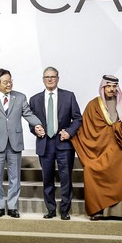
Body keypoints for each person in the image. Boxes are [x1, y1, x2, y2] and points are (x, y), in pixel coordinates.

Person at [71, 75, 122, 221]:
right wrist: (70, 134)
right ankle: (98, 211)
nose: (112, 89)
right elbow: (85, 130)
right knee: (92, 170)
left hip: (121, 152)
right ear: (103, 87)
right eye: (108, 86)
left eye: (114, 87)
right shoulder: (93, 105)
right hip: (99, 151)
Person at [0, 68, 44, 218]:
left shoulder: (20, 97)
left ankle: (12, 206)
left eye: (10, 81)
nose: (9, 84)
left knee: (14, 177)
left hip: (15, 143)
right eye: (5, 82)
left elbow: (28, 114)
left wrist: (37, 125)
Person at [28, 67, 82, 220]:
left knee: (66, 179)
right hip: (45, 144)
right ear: (43, 79)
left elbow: (78, 118)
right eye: (47, 77)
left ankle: (65, 210)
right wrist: (35, 129)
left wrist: (69, 132)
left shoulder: (68, 96)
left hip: (64, 144)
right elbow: (32, 123)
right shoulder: (34, 99)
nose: (50, 79)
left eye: (53, 77)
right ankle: (50, 209)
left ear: (58, 78)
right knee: (47, 179)